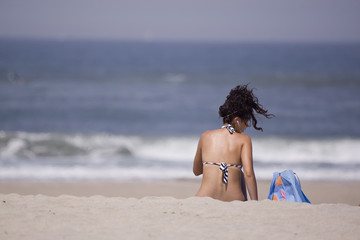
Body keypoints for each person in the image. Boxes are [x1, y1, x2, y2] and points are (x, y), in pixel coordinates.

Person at [193, 85, 273, 201]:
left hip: (204, 198)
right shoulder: (244, 139)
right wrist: (255, 202)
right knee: (239, 173)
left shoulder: (205, 136)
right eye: (246, 121)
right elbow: (249, 173)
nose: (247, 126)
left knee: (235, 171)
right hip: (234, 200)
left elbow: (196, 171)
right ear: (237, 120)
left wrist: (212, 165)